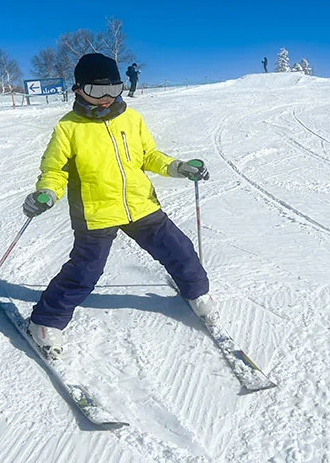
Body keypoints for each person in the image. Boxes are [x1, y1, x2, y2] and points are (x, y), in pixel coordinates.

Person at [22, 53, 214, 359]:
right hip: (95, 212)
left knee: (179, 249)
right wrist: (46, 193)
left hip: (140, 204)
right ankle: (44, 322)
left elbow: (148, 155)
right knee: (85, 272)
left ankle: (197, 293)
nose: (107, 99)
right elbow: (55, 171)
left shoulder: (131, 118)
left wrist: (178, 167)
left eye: (114, 89)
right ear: (79, 89)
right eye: (98, 91)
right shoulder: (68, 128)